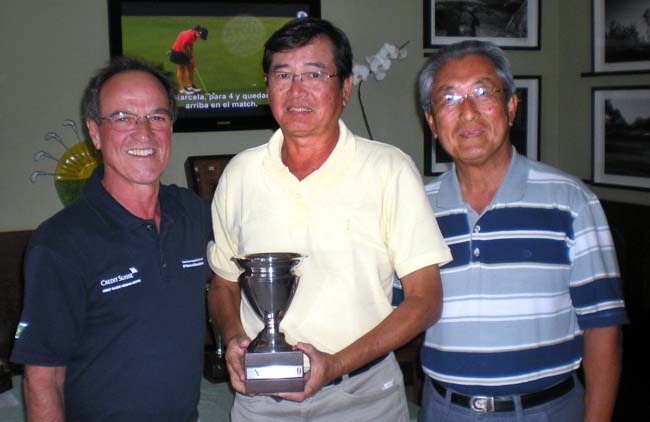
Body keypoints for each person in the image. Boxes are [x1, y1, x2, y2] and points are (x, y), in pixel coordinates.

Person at [207, 17, 452, 422]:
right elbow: (222, 284)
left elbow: (426, 300)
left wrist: (335, 364)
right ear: (267, 86)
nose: (296, 89)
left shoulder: (389, 169)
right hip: (261, 401)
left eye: (314, 74)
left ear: (345, 89)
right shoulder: (239, 174)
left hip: (364, 396)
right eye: (282, 74)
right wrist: (234, 338)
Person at [416, 40, 628, 421]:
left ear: (511, 107)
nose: (467, 112)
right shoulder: (415, 207)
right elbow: (397, 308)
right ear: (432, 123)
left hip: (547, 410)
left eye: (483, 92)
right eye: (448, 99)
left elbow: (603, 327)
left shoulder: (571, 201)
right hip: (445, 410)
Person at [10, 57, 212, 421]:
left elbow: (231, 283)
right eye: (123, 118)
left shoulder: (192, 214)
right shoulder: (60, 242)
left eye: (157, 117)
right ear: (95, 132)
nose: (144, 132)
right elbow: (44, 380)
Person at [169, 25, 208, 95]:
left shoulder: (195, 35)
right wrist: (190, 57)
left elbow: (190, 46)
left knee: (191, 67)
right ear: (198, 32)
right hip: (177, 52)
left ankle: (190, 86)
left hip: (183, 51)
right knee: (181, 69)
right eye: (201, 36)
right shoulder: (189, 36)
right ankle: (182, 89)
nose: (200, 38)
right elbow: (184, 47)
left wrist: (192, 56)